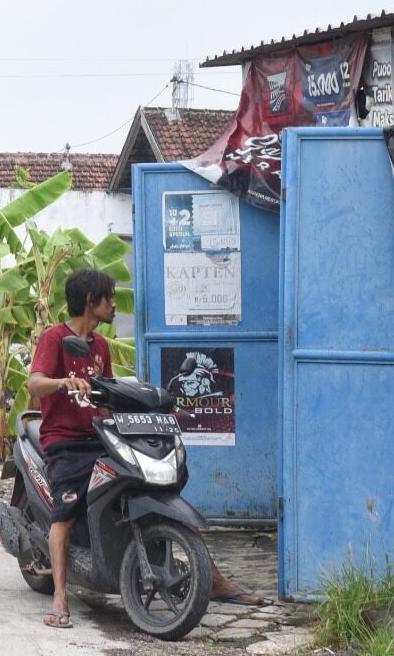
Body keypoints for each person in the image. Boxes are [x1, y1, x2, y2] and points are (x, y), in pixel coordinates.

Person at [27, 269, 268, 630]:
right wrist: (63, 383)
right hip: (65, 441)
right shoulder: (54, 338)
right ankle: (61, 595)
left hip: (98, 435)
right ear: (91, 300)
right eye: (108, 298)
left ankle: (213, 579)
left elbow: (106, 396)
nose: (113, 304)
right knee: (65, 510)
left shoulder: (102, 347)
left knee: (158, 487)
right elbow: (34, 383)